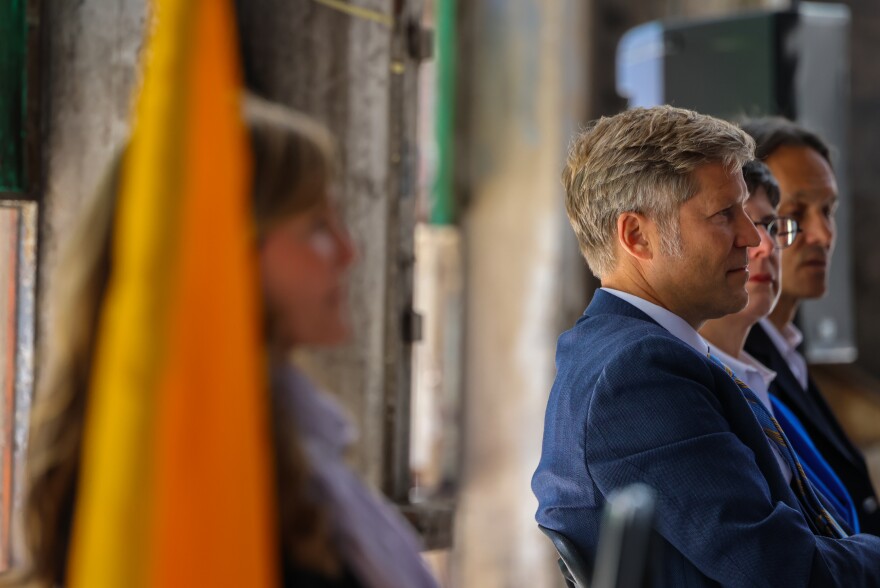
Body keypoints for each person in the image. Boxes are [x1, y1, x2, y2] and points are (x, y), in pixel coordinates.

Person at [16, 96, 438, 588]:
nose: (349, 251)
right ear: (227, 250)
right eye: (317, 228)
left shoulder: (293, 438)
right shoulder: (189, 476)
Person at [532, 105, 880, 586]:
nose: (753, 236)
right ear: (637, 236)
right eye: (724, 215)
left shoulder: (636, 353)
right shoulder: (638, 375)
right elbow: (782, 572)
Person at [741, 117, 880, 534]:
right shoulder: (740, 361)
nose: (823, 234)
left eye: (828, 210)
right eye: (794, 213)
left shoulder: (788, 352)